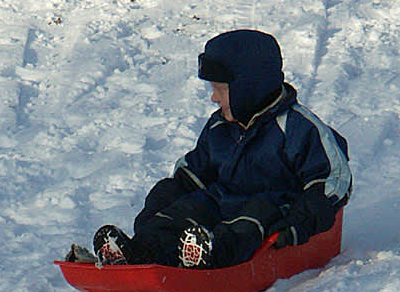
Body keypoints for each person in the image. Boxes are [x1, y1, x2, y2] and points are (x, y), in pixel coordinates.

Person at [84, 29, 352, 269]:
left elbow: (332, 181)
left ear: (249, 88)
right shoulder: (220, 126)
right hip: (220, 203)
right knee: (179, 204)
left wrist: (300, 220)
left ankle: (211, 258)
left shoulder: (298, 128)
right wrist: (166, 199)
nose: (214, 98)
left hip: (273, 209)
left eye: (220, 89)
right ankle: (143, 251)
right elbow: (195, 172)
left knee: (250, 220)